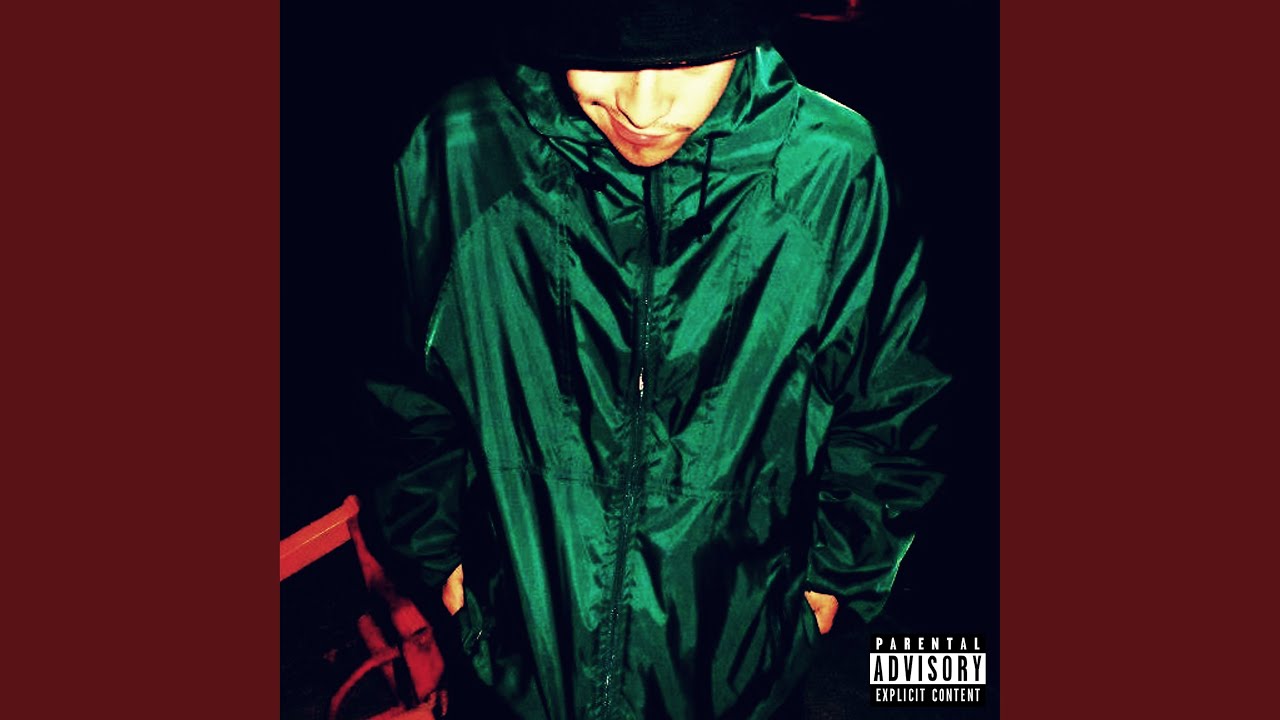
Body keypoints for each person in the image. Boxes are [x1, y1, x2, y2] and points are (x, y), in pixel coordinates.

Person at [361, 1, 949, 717]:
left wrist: (835, 579)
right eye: (601, 51)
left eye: (690, 57)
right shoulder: (456, 154)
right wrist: (439, 556)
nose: (644, 106)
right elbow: (400, 387)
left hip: (741, 675)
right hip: (518, 669)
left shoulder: (836, 172)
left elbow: (892, 401)